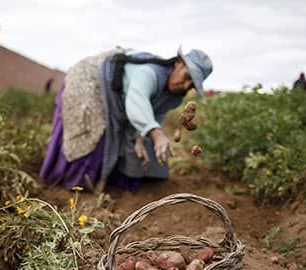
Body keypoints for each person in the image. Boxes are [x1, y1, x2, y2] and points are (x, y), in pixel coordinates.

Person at [40, 46, 213, 192]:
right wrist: (157, 134)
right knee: (91, 132)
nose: (185, 85)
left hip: (117, 97)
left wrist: (140, 137)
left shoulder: (175, 96)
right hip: (92, 79)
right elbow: (136, 101)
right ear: (177, 64)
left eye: (191, 85)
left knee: (133, 144)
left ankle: (106, 181)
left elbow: (155, 114)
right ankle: (65, 184)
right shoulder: (149, 72)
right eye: (187, 77)